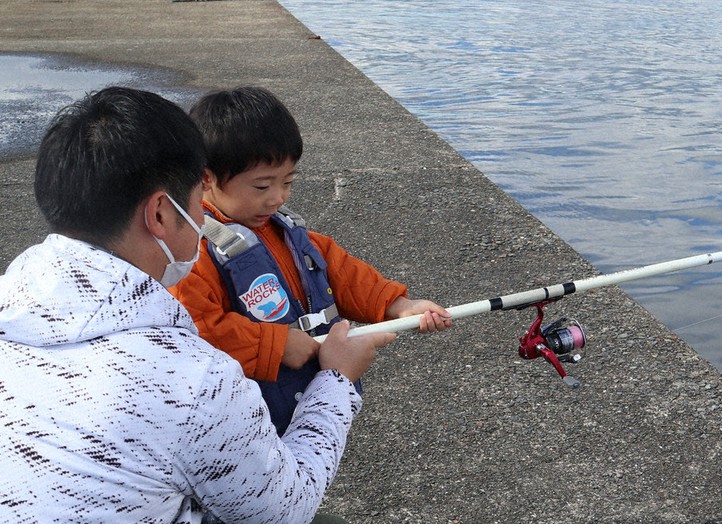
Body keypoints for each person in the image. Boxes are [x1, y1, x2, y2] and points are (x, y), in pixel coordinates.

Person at [0, 86, 394, 523]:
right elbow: (285, 510)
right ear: (162, 214)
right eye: (196, 198)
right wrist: (337, 379)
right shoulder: (190, 381)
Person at [171, 86, 452, 435]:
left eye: (287, 181)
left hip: (306, 395)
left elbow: (342, 273)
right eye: (262, 186)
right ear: (207, 177)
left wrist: (399, 306)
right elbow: (197, 331)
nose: (277, 198)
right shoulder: (192, 252)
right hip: (248, 421)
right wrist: (273, 345)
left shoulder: (286, 233)